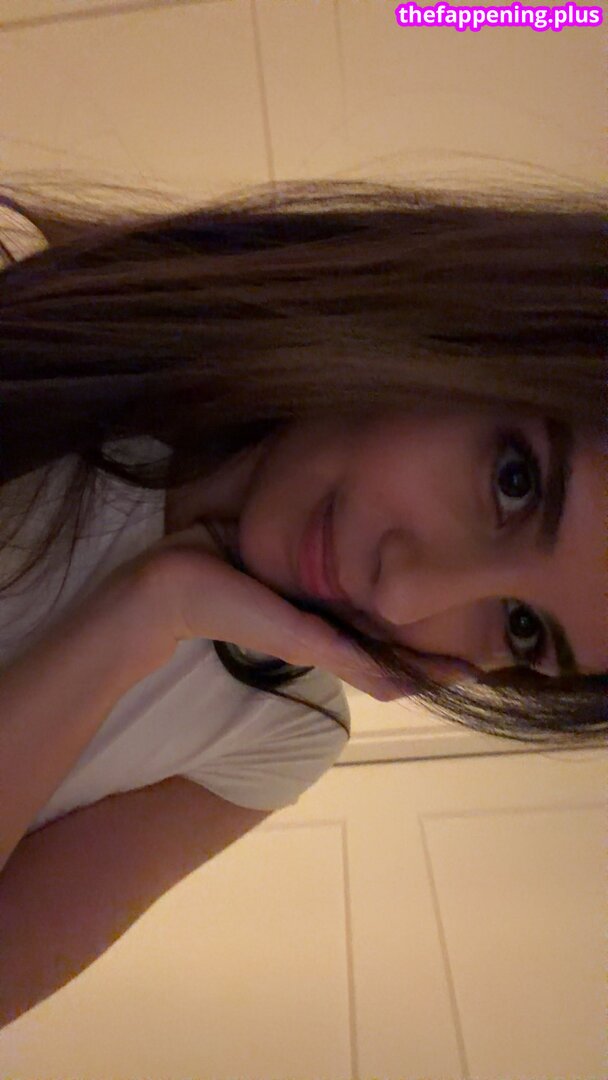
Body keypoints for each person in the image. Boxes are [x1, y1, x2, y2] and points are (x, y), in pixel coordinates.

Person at [0, 177, 605, 1026]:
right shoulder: (48, 322)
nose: (402, 595)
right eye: (513, 481)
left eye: (522, 627)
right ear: (461, 328)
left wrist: (140, 617)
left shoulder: (275, 736)